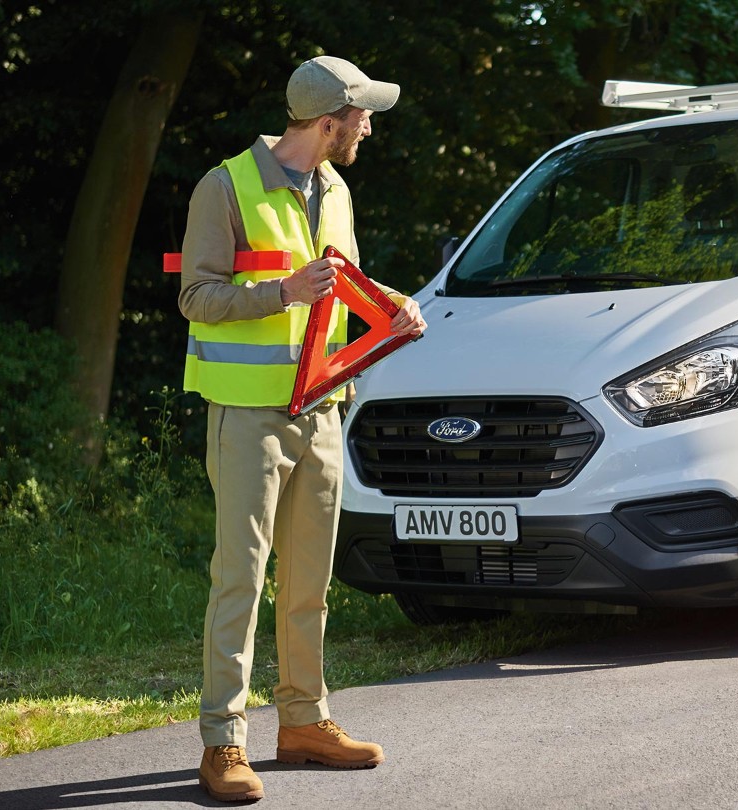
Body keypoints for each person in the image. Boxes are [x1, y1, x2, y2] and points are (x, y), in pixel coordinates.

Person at [177, 55, 426, 803]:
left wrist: (393, 302)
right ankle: (223, 743)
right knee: (240, 581)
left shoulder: (337, 189)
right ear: (329, 122)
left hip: (321, 410)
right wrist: (279, 291)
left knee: (310, 584)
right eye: (363, 116)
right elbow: (196, 295)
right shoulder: (224, 186)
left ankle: (304, 724)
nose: (370, 127)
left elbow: (342, 281)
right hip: (247, 415)